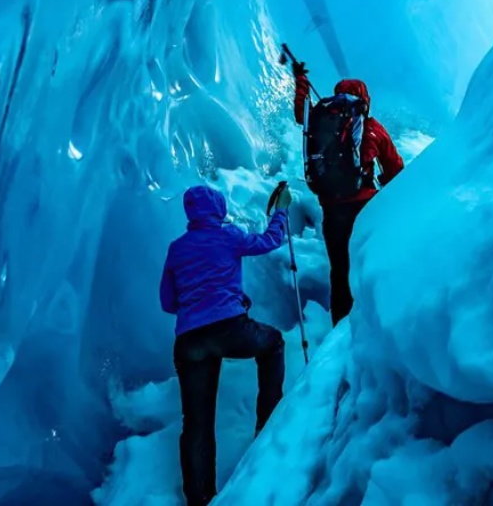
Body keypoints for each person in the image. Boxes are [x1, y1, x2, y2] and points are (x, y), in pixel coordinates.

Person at [159, 184, 292, 506]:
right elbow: (269, 241)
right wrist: (281, 212)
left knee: (197, 422)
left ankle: (200, 497)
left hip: (189, 340)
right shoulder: (228, 236)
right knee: (273, 343)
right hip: (230, 329)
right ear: (217, 209)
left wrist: (199, 304)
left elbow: (168, 302)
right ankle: (268, 424)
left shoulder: (177, 249)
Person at [292, 63, 404, 325]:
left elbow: (301, 113)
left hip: (332, 210)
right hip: (365, 209)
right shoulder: (372, 128)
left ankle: (340, 330)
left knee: (340, 271)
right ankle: (375, 325)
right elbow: (395, 169)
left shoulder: (320, 119)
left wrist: (301, 82)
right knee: (370, 265)